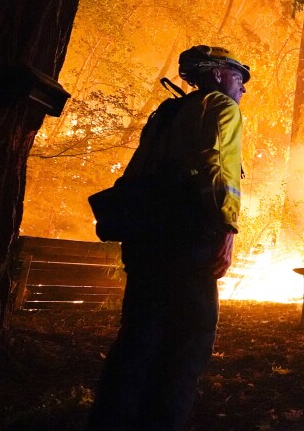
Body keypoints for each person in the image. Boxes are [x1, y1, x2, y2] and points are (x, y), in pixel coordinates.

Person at [88, 45, 250, 430]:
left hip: (146, 240)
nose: (243, 89)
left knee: (138, 339)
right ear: (216, 74)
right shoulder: (221, 107)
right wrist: (227, 228)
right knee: (188, 345)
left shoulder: (168, 113)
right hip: (189, 239)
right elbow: (216, 170)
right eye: (239, 78)